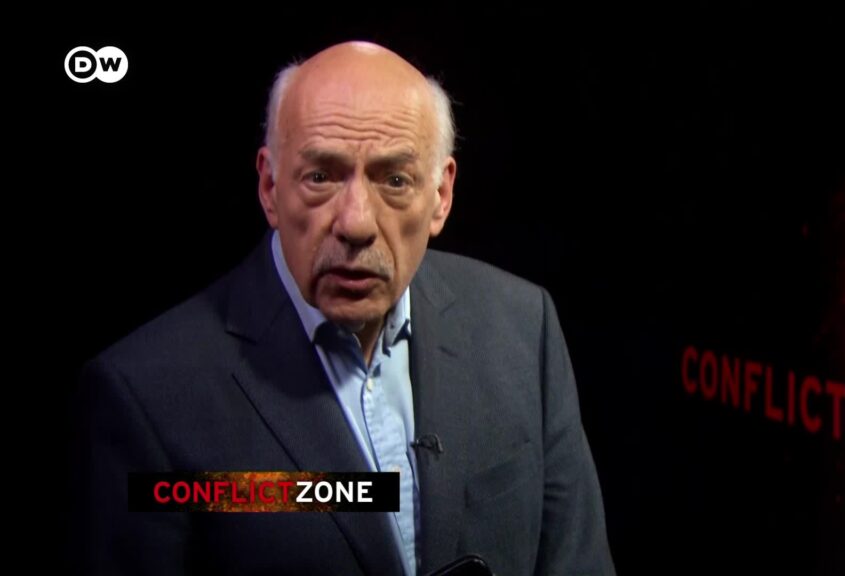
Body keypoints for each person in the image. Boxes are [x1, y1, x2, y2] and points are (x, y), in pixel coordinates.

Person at [71, 41, 615, 575]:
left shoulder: (522, 328)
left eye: (394, 180)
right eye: (321, 177)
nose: (355, 222)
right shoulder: (146, 395)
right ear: (269, 186)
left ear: (441, 196)